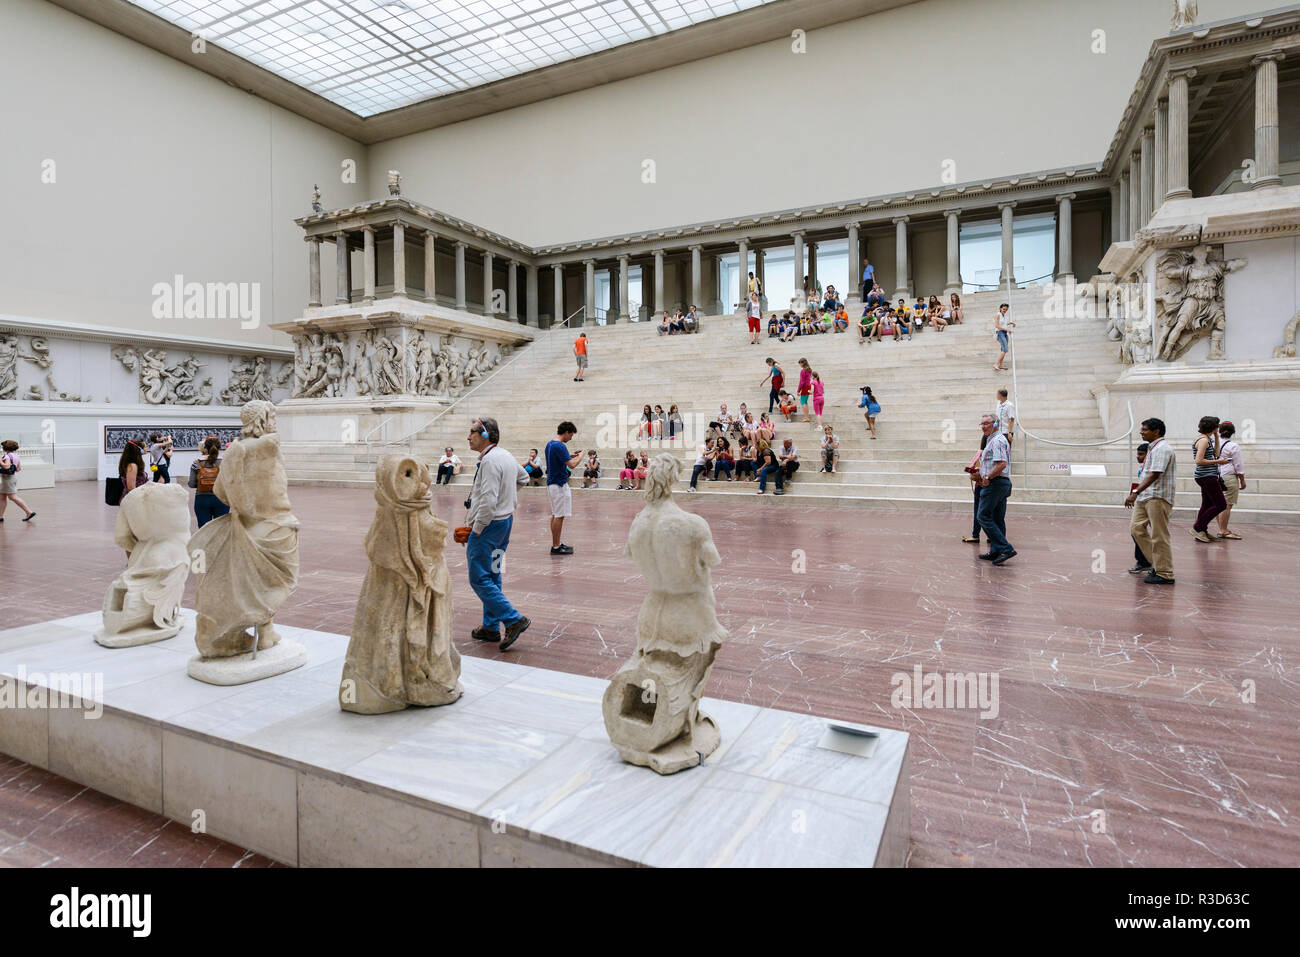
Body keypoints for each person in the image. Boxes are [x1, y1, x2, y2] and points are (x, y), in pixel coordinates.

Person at [463, 416, 530, 649]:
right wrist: (507, 498)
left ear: (485, 435)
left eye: (472, 432)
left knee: (479, 577)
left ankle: (513, 619)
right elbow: (525, 477)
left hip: (488, 527)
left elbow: (489, 501)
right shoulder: (506, 455)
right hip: (505, 524)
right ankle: (490, 627)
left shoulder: (490, 461)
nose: (468, 436)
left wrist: (477, 528)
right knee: (493, 572)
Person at [1125, 417, 1176, 585]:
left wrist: (1135, 492)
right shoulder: (1152, 448)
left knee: (1159, 535)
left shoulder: (1162, 448)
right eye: (1142, 429)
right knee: (1136, 528)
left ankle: (1165, 572)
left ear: (1157, 431)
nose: (1141, 432)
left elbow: (1155, 473)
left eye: (1145, 429)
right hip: (1145, 496)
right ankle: (1156, 563)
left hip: (1157, 496)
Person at [976, 412, 1015, 564]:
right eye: (982, 424)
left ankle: (1006, 548)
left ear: (996, 424)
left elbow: (1001, 464)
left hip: (995, 484)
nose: (983, 427)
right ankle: (996, 550)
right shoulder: (992, 440)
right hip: (1000, 483)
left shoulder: (997, 441)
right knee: (997, 519)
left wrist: (987, 477)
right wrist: (979, 473)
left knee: (983, 516)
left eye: (987, 423)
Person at [545, 421, 583, 555]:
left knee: (556, 514)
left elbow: (560, 459)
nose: (571, 438)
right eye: (571, 435)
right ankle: (556, 546)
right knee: (559, 515)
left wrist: (570, 455)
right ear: (566, 432)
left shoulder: (550, 444)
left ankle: (556, 543)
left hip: (552, 482)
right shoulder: (559, 446)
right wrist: (580, 457)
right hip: (559, 484)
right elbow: (572, 465)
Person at [1191, 414, 1229, 544]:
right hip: (1206, 476)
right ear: (1213, 427)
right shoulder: (1203, 440)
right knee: (1221, 504)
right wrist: (1219, 461)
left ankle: (1203, 531)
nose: (1218, 429)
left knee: (1207, 504)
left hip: (1207, 475)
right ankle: (1198, 527)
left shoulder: (1207, 439)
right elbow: (1199, 460)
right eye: (1216, 427)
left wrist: (1217, 437)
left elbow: (1217, 454)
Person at [187, 435, 229, 529]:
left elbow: (191, 484)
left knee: (204, 530)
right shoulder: (226, 461)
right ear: (219, 447)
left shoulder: (196, 462)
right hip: (221, 498)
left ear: (205, 447)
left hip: (202, 498)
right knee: (221, 530)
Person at [1216, 421, 1246, 540]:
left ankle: (1221, 528)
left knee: (1219, 504)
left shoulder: (1213, 444)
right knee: (1227, 505)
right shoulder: (1233, 446)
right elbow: (1238, 465)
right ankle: (1223, 530)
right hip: (1228, 476)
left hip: (1215, 475)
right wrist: (1242, 480)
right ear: (1232, 432)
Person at [1128, 442, 1152, 573]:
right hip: (1142, 500)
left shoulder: (1152, 469)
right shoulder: (1141, 468)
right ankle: (1143, 560)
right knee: (1136, 530)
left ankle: (1150, 561)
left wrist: (1135, 494)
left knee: (1142, 531)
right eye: (1137, 454)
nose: (1138, 457)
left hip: (1151, 501)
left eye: (1141, 454)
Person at [962, 430, 989, 544]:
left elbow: (971, 466)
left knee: (978, 510)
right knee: (990, 512)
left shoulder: (980, 452)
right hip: (992, 485)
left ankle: (975, 535)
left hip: (980, 485)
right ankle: (991, 536)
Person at [0, 439, 35, 522]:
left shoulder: (7, 456)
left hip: (7, 479)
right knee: (2, 497)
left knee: (12, 497)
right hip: (13, 477)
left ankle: (29, 512)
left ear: (5, 448)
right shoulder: (16, 456)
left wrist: (0, 461)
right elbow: (18, 468)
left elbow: (6, 466)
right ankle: (0, 516)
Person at [117, 438, 149, 503]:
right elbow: (131, 488)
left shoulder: (134, 464)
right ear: (139, 449)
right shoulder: (132, 466)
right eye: (145, 447)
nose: (147, 448)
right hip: (133, 501)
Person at [993, 303, 1013, 372]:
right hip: (1000, 333)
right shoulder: (998, 314)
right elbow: (996, 326)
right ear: (1000, 308)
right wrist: (1007, 330)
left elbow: (1003, 324)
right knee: (1005, 349)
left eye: (1006, 309)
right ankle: (996, 364)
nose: (1005, 310)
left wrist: (1010, 323)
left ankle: (1000, 365)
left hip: (1004, 333)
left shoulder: (1004, 316)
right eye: (1004, 309)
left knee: (1003, 349)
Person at [796, 358, 812, 423]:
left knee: (803, 402)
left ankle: (806, 417)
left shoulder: (803, 371)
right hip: (808, 386)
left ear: (802, 363)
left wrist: (798, 390)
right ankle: (806, 416)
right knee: (805, 402)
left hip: (805, 387)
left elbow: (802, 382)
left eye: (800, 363)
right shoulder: (809, 370)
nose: (800, 365)